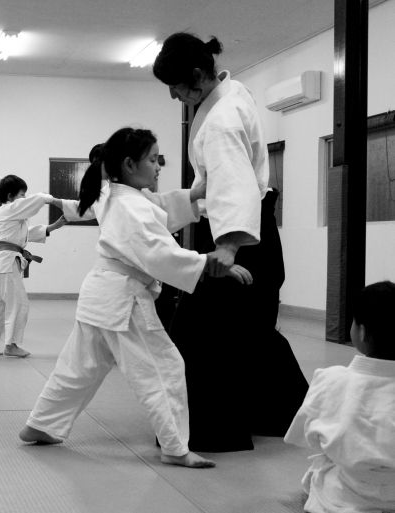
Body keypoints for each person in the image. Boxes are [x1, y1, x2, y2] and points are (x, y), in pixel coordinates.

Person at [19, 127, 251, 468]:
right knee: (164, 368)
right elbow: (156, 251)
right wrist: (208, 262)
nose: (158, 167)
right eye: (153, 160)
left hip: (100, 294)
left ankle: (41, 423)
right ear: (129, 164)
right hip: (122, 299)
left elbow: (159, 207)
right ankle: (175, 447)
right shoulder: (129, 204)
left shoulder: (117, 194)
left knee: (79, 367)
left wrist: (194, 195)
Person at [152, 32, 308, 451]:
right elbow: (222, 181)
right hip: (253, 231)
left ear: (197, 75)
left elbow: (234, 183)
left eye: (176, 86)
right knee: (252, 330)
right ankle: (286, 416)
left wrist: (228, 247)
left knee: (203, 334)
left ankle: (213, 430)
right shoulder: (232, 92)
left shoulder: (221, 120)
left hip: (238, 236)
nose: (173, 96)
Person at [284, 281, 395, 513]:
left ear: (361, 332)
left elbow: (306, 436)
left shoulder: (331, 379)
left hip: (344, 497)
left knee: (323, 465)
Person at [0, 175, 67, 358]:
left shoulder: (9, 214)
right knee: (18, 304)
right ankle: (11, 345)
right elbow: (38, 199)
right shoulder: (10, 209)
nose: (25, 198)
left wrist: (53, 227)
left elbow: (23, 234)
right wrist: (53, 200)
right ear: (10, 196)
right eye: (22, 194)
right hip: (6, 265)